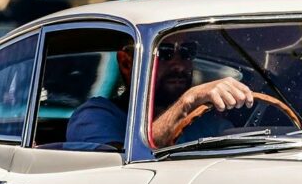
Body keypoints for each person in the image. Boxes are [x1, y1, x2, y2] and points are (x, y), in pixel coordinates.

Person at [65, 39, 258, 149]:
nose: (179, 65)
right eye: (164, 52)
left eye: (186, 52)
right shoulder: (95, 116)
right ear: (126, 63)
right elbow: (129, 163)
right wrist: (189, 100)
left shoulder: (208, 124)